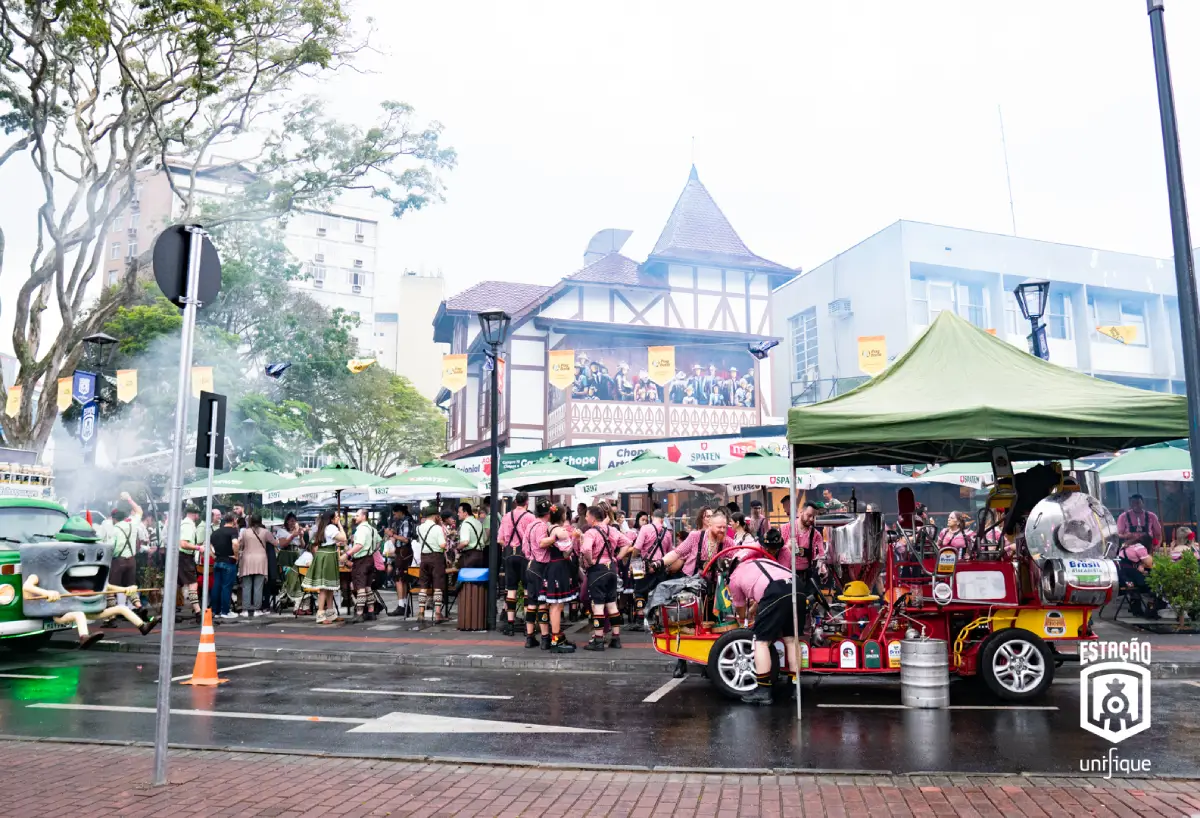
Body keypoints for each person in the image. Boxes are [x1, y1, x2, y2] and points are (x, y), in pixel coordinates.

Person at [728, 550, 801, 705]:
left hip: (775, 590)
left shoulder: (734, 576)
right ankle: (795, 686)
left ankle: (763, 690)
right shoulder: (765, 562)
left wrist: (747, 617)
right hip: (797, 585)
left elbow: (741, 611)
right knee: (791, 639)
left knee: (761, 642)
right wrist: (756, 610)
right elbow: (763, 594)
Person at [579, 505, 630, 651]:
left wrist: (590, 561)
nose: (587, 518)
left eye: (588, 516)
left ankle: (599, 640)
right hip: (612, 570)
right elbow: (627, 543)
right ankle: (616, 638)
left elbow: (587, 549)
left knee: (599, 606)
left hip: (598, 571)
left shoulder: (591, 533)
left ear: (593, 517)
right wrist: (617, 558)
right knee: (612, 604)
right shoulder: (612, 529)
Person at [537, 503, 578, 653]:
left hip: (552, 566)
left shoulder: (549, 528)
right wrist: (574, 539)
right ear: (562, 516)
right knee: (556, 605)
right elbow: (567, 553)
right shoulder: (560, 531)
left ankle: (557, 635)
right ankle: (556, 639)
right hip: (559, 567)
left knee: (557, 605)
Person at [625, 507, 674, 631]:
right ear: (663, 520)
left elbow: (637, 548)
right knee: (658, 593)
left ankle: (640, 620)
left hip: (643, 565)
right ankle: (658, 621)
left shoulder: (645, 528)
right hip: (660, 566)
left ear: (652, 517)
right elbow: (669, 553)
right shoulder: (668, 533)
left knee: (639, 591)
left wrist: (632, 562)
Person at [497, 492, 536, 635]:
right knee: (527, 590)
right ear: (526, 502)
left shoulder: (506, 516)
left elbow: (500, 539)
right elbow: (534, 537)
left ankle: (510, 625)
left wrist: (509, 543)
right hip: (524, 555)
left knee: (511, 589)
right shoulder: (530, 517)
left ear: (515, 502)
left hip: (509, 555)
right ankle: (528, 626)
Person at [102, 493, 144, 621]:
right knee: (130, 586)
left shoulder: (115, 530)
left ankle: (111, 617)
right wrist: (130, 499)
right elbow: (139, 511)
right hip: (131, 560)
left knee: (110, 589)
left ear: (114, 519)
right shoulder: (133, 523)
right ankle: (139, 607)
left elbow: (111, 548)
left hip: (118, 562)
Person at [522, 500, 553, 649]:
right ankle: (545, 638)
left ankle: (529, 637)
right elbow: (541, 543)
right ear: (548, 513)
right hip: (541, 567)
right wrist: (554, 538)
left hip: (530, 565)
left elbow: (524, 548)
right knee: (542, 604)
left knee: (531, 603)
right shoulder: (541, 526)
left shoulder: (530, 525)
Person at [303, 511, 342, 625]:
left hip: (325, 555)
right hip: (327, 556)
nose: (337, 518)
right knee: (325, 588)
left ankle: (330, 614)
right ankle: (320, 615)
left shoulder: (322, 527)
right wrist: (339, 524)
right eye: (336, 517)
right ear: (331, 519)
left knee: (329, 587)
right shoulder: (330, 527)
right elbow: (344, 537)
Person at [413, 505, 448, 626]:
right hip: (436, 558)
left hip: (424, 558)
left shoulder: (419, 528)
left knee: (423, 585)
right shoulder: (437, 528)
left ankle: (421, 613)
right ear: (435, 516)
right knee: (438, 585)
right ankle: (438, 613)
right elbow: (442, 545)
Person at [344, 508, 380, 623]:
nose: (355, 517)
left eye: (357, 515)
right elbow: (379, 542)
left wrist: (347, 554)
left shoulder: (361, 529)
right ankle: (371, 611)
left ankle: (359, 613)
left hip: (361, 560)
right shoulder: (372, 529)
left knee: (360, 588)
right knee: (368, 587)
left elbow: (359, 545)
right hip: (370, 559)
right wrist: (372, 550)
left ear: (364, 516)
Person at [237, 514, 275, 618]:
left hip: (247, 560)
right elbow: (275, 542)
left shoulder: (245, 532)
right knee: (258, 586)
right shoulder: (265, 532)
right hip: (261, 560)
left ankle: (245, 609)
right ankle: (257, 609)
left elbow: (240, 544)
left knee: (246, 586)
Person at [386, 505, 416, 617]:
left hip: (404, 552)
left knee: (399, 578)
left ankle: (401, 606)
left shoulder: (406, 522)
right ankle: (403, 605)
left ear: (400, 512)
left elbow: (405, 539)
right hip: (403, 552)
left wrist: (393, 535)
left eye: (395, 513)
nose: (394, 516)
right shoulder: (404, 521)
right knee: (402, 579)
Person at [275, 513, 307, 611]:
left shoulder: (298, 531)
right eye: (291, 521)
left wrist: (301, 537)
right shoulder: (282, 531)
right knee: (286, 574)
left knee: (298, 575)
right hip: (286, 555)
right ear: (287, 522)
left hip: (296, 554)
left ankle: (294, 598)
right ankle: (285, 597)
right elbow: (282, 544)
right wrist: (292, 536)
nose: (293, 523)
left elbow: (302, 546)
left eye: (294, 521)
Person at [177, 505, 204, 623]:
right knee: (193, 585)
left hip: (182, 557)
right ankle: (198, 612)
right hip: (185, 557)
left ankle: (167, 611)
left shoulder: (186, 524)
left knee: (177, 585)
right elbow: (183, 543)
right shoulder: (188, 525)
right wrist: (199, 547)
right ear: (195, 514)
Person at [210, 514, 239, 619]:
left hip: (217, 562)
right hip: (228, 561)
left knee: (216, 587)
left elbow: (208, 545)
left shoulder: (215, 532)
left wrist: (214, 556)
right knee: (226, 587)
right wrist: (236, 556)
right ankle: (225, 611)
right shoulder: (233, 531)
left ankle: (215, 611)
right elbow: (235, 543)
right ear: (233, 520)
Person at [455, 502, 485, 569]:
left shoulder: (465, 524)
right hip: (480, 555)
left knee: (467, 578)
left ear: (465, 513)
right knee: (477, 578)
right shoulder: (478, 522)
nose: (458, 514)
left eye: (459, 512)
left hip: (469, 556)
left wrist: (457, 548)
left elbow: (465, 542)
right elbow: (485, 539)